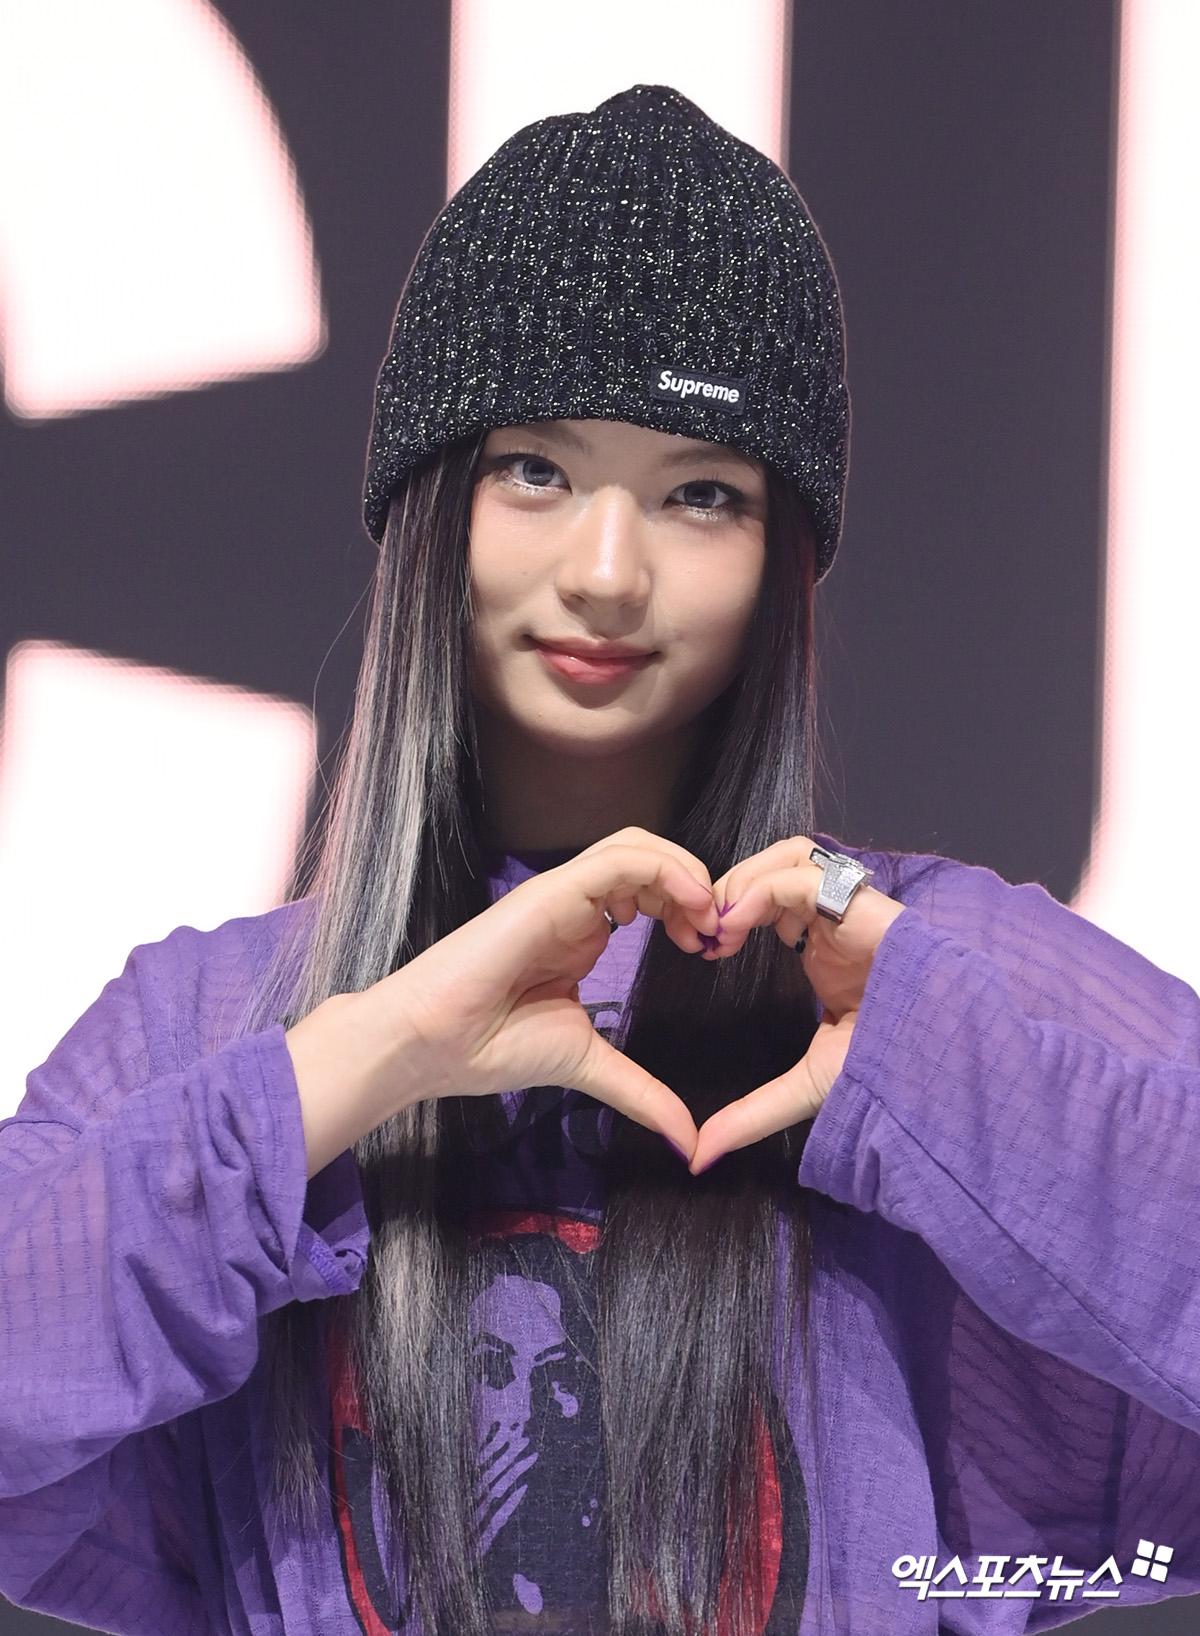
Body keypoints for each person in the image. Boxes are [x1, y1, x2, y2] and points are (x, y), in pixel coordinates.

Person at [1, 84, 1199, 1636]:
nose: (609, 571)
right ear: (431, 504)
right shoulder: (216, 1026)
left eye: (702, 493)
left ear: (780, 556)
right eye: (537, 471)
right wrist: (371, 1054)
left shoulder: (923, 971)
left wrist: (949, 1065)